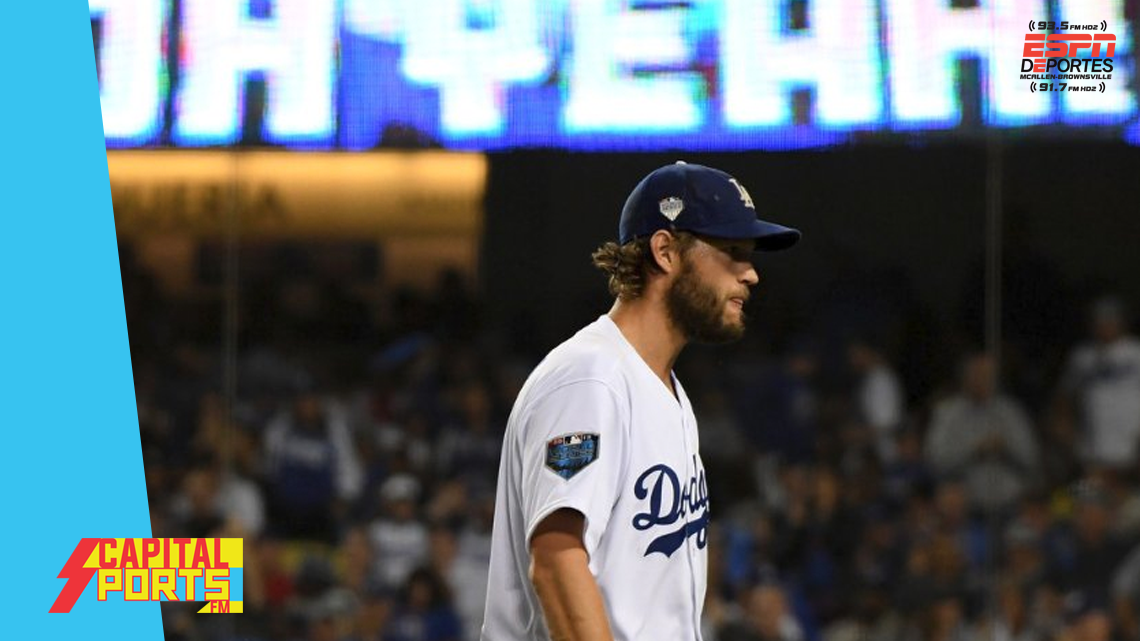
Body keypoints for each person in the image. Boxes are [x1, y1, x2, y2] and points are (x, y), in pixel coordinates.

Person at [481, 162, 801, 640]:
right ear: (666, 251)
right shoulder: (590, 379)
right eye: (732, 251)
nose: (751, 273)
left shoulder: (664, 389)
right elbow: (555, 558)